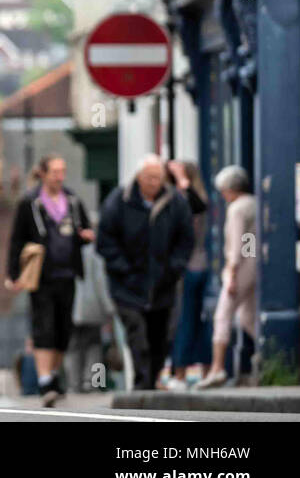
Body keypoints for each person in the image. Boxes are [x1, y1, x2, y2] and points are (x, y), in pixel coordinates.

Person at [96, 154, 194, 391]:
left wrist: (174, 268)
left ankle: (151, 382)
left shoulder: (175, 202)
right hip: (127, 285)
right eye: (149, 177)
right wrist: (124, 269)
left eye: (158, 178)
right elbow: (105, 240)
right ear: (139, 177)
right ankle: (141, 383)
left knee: (160, 337)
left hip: (163, 284)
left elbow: (185, 239)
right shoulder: (119, 201)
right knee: (137, 335)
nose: (154, 182)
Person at [4, 154, 95, 406]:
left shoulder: (73, 200)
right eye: (55, 171)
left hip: (68, 273)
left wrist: (85, 236)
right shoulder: (29, 202)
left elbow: (84, 228)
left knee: (64, 328)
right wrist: (13, 274)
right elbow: (16, 240)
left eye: (62, 171)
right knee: (44, 326)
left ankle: (53, 375)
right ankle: (45, 382)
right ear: (42, 173)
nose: (60, 176)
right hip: (41, 276)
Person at [197, 166, 257, 390]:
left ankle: (217, 368)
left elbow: (237, 241)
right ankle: (270, 355)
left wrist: (232, 272)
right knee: (247, 317)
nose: (222, 195)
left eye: (223, 190)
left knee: (222, 315)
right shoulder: (253, 203)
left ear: (230, 188)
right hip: (253, 265)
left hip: (241, 268)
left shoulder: (237, 209)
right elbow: (250, 241)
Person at [167, 159, 212, 390]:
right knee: (198, 319)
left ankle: (182, 374)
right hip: (198, 266)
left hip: (189, 268)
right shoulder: (193, 197)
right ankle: (205, 372)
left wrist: (182, 179)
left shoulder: (190, 199)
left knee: (184, 320)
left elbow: (197, 207)